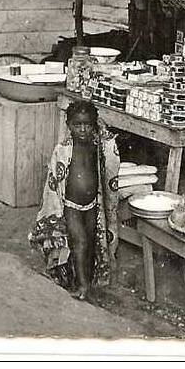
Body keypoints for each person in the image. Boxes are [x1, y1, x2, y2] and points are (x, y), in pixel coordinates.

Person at [29, 100, 120, 300]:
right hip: (71, 205)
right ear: (69, 125)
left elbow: (109, 158)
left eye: (88, 124)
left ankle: (84, 279)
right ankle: (82, 286)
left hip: (92, 205)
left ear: (94, 125)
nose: (83, 129)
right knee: (79, 242)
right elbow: (54, 181)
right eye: (78, 124)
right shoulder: (62, 150)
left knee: (89, 243)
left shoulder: (98, 147)